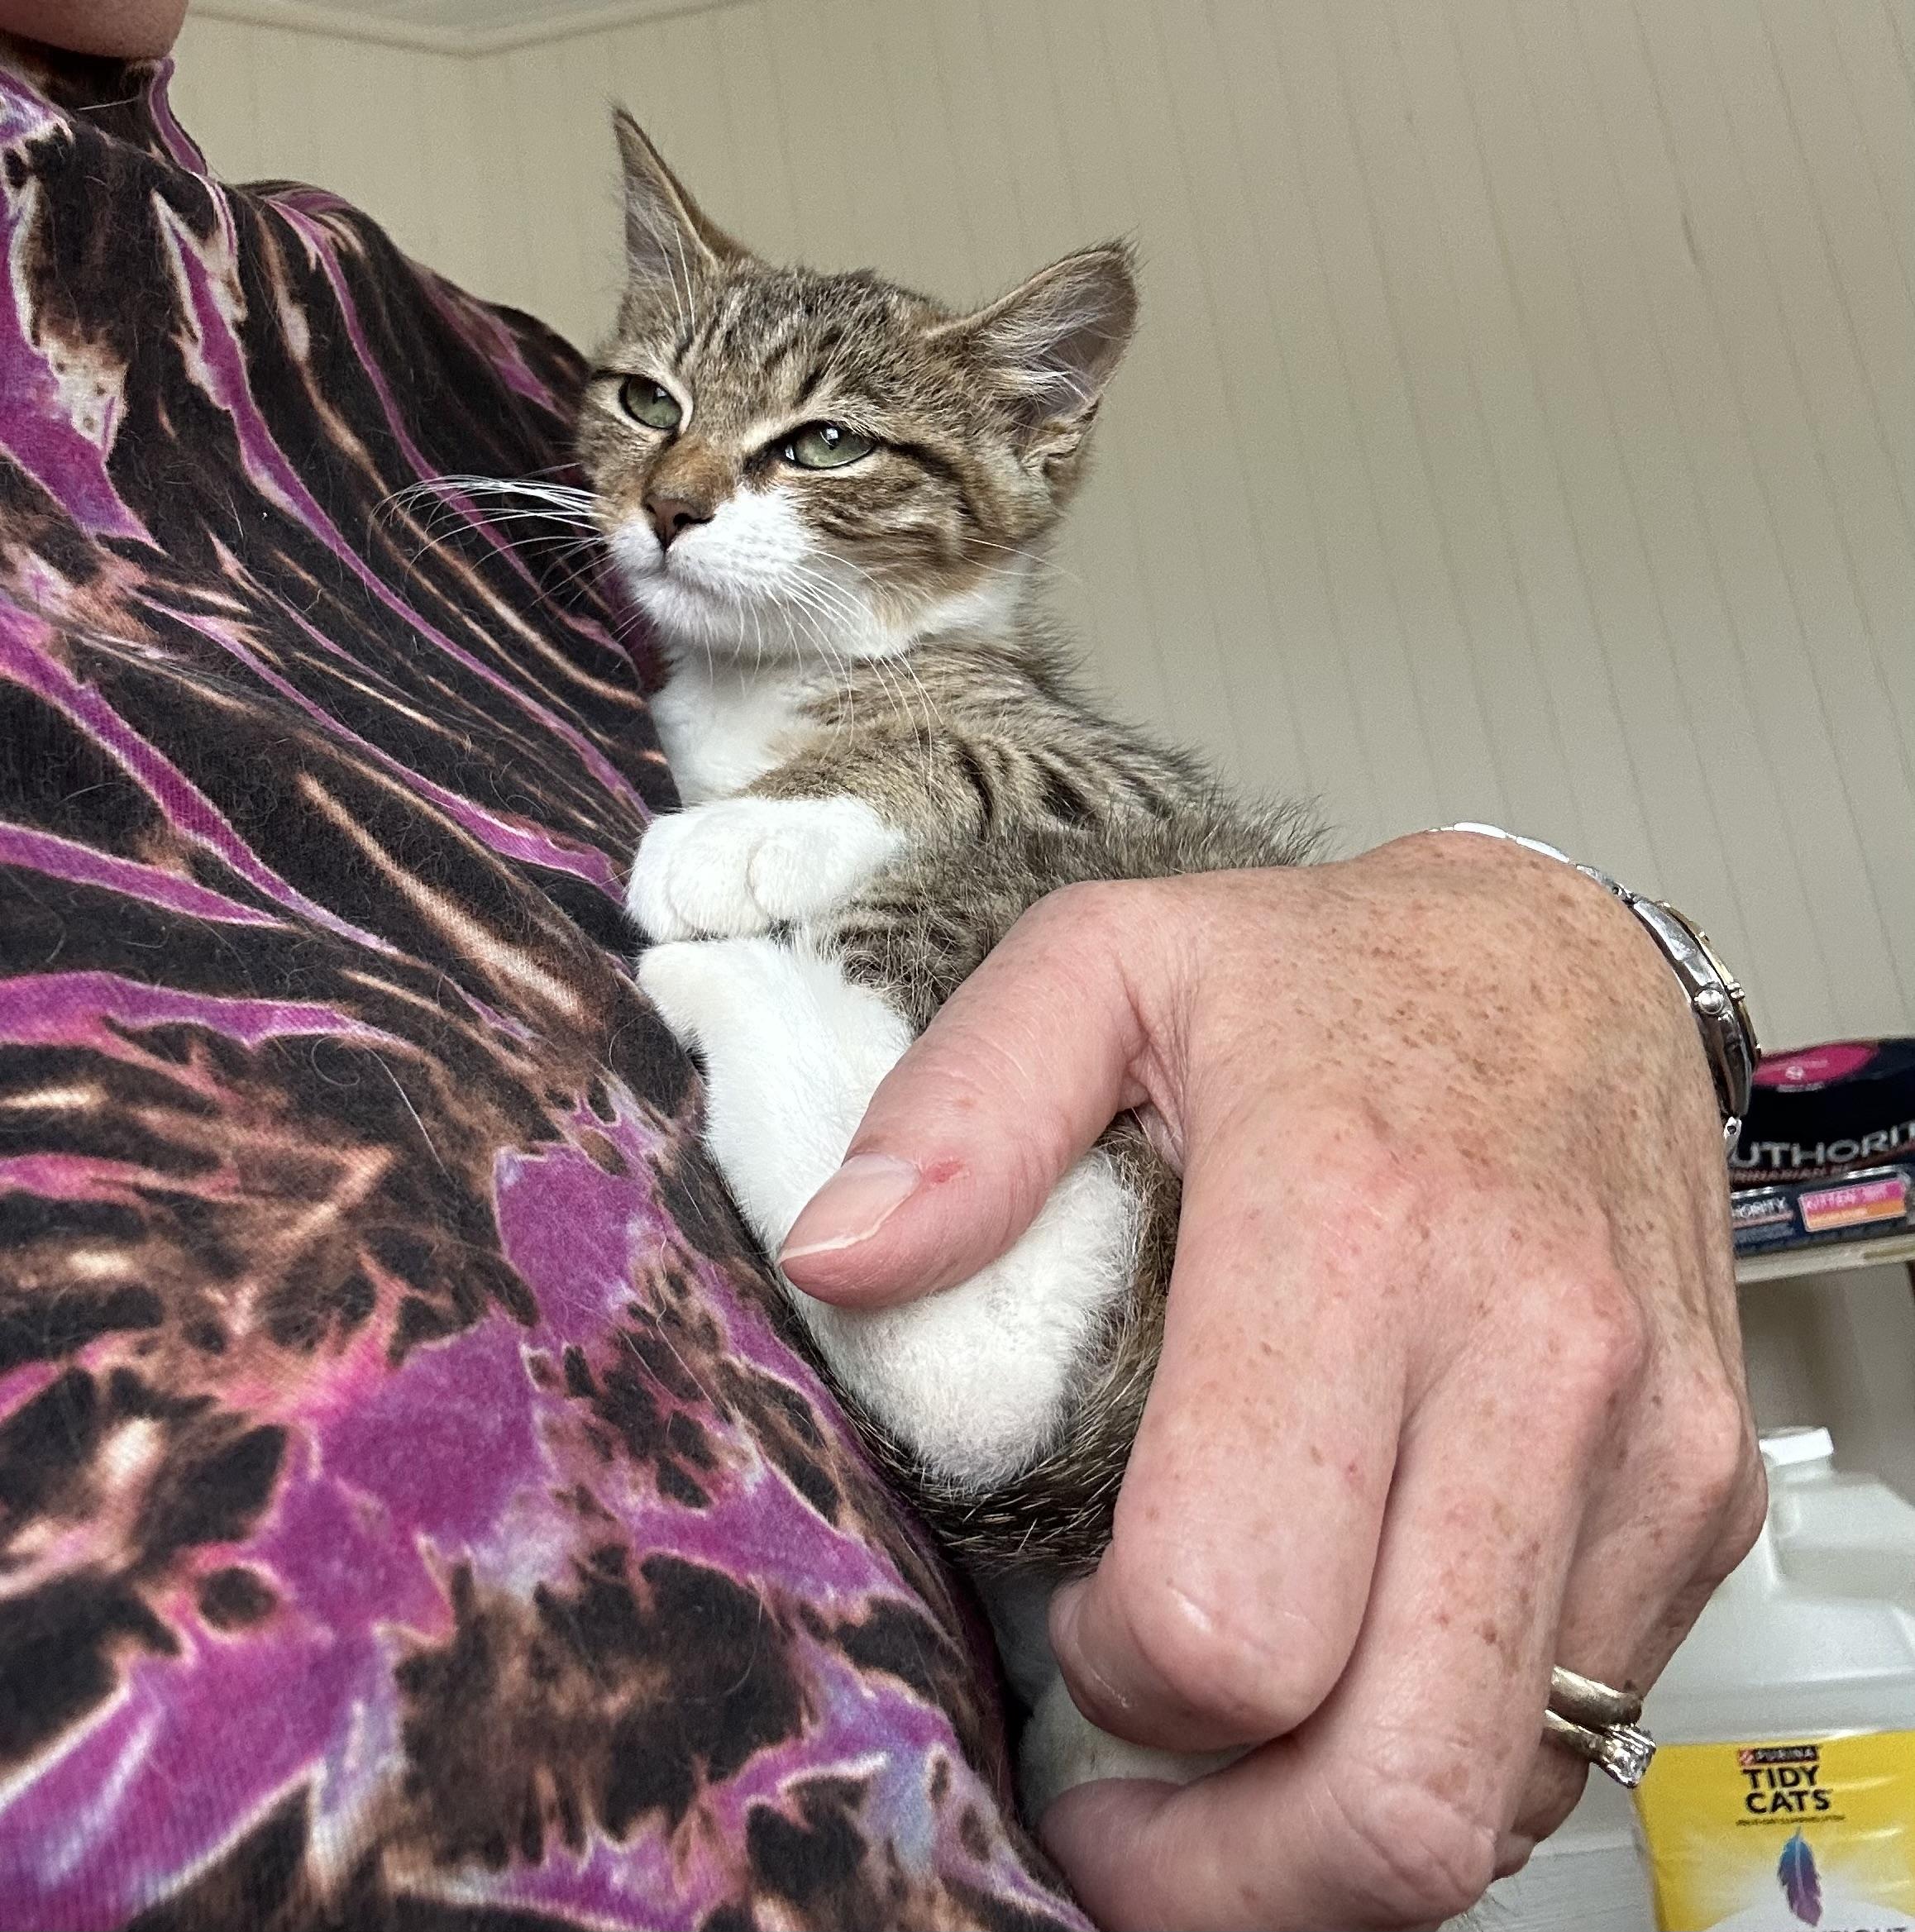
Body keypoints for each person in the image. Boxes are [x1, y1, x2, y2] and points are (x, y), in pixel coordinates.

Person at [0, 4, 1763, 1928]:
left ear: (1030, 438)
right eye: (654, 408)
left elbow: (1083, 813)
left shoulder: (426, 366)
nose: (676, 490)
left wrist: (1587, 951)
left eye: (813, 444)